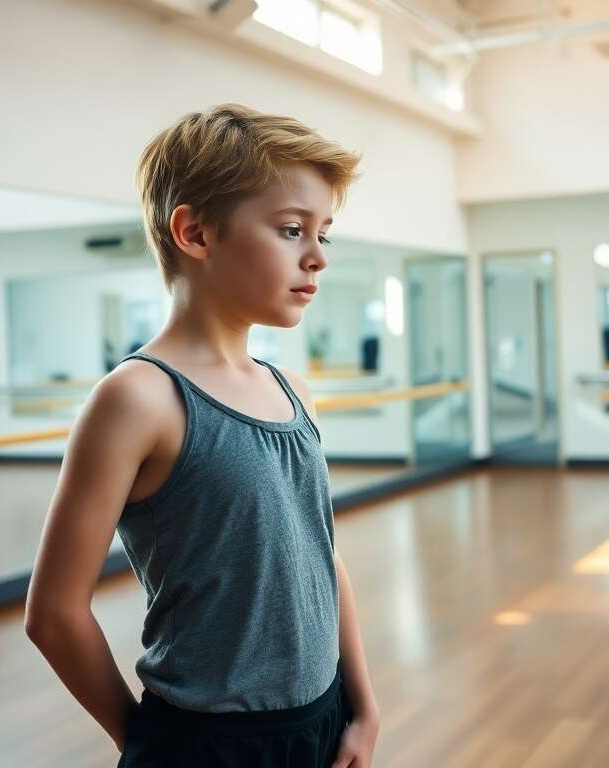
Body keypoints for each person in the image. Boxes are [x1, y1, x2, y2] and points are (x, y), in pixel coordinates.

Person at [25, 104, 379, 767]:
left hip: (320, 720)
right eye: (292, 229)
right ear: (194, 233)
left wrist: (361, 704)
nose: (317, 257)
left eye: (324, 234)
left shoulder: (291, 390)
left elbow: (321, 559)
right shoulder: (137, 398)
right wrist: (144, 741)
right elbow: (54, 613)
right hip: (203, 742)